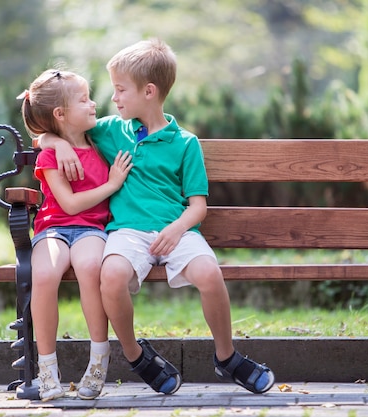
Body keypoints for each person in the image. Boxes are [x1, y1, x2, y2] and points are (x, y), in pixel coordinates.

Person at [40, 39, 275, 395]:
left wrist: (177, 229)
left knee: (210, 274)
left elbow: (198, 206)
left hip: (176, 232)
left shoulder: (185, 143)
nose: (113, 98)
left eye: (120, 90)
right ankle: (136, 355)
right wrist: (54, 143)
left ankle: (227, 357)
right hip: (126, 233)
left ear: (149, 92)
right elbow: (53, 129)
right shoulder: (110, 129)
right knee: (112, 275)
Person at [19, 69, 133, 401]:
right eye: (84, 100)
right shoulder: (52, 152)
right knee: (43, 274)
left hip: (91, 229)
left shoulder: (99, 138)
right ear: (60, 114)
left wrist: (54, 138)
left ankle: (98, 359)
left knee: (89, 269)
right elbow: (67, 204)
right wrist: (111, 184)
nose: (94, 104)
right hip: (54, 228)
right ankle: (47, 368)